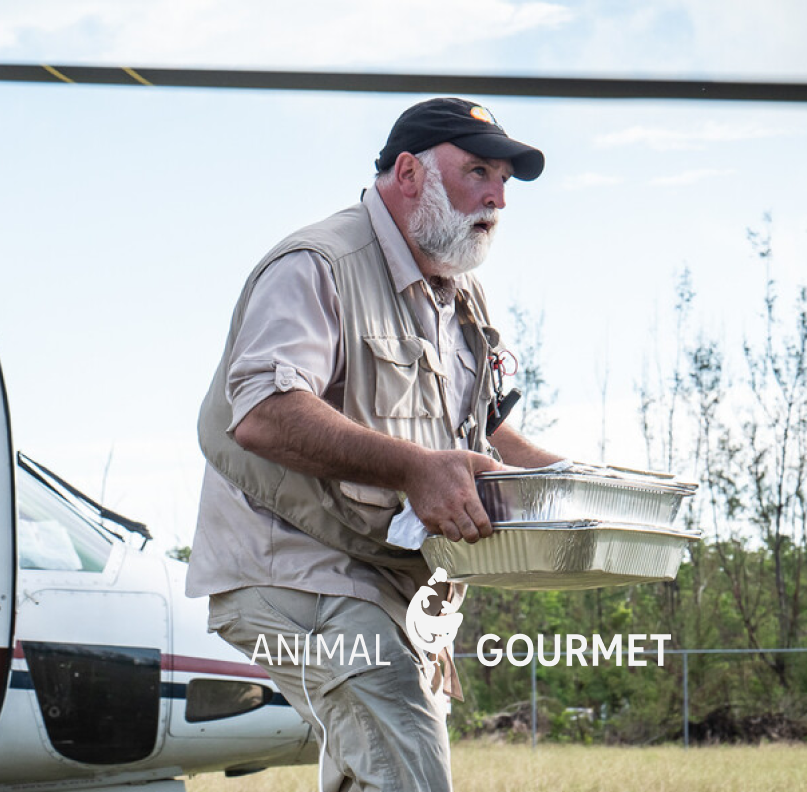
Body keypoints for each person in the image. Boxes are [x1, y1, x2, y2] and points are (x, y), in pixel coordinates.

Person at [186, 97, 563, 792]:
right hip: (293, 573)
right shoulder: (318, 264)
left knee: (374, 770)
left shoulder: (458, 296)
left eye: (505, 180)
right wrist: (416, 470)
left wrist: (571, 480)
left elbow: (471, 430)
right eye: (478, 170)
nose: (497, 196)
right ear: (411, 172)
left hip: (388, 582)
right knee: (407, 757)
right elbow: (264, 412)